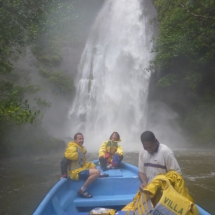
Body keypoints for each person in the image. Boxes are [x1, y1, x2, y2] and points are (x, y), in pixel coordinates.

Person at [61, 133, 102, 198]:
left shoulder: (79, 148)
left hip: (80, 170)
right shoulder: (72, 149)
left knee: (94, 168)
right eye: (79, 139)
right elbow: (63, 162)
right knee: (97, 172)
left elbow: (81, 162)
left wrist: (91, 165)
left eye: (82, 139)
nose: (81, 140)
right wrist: (64, 175)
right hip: (75, 173)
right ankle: (82, 190)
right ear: (75, 140)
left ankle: (96, 175)